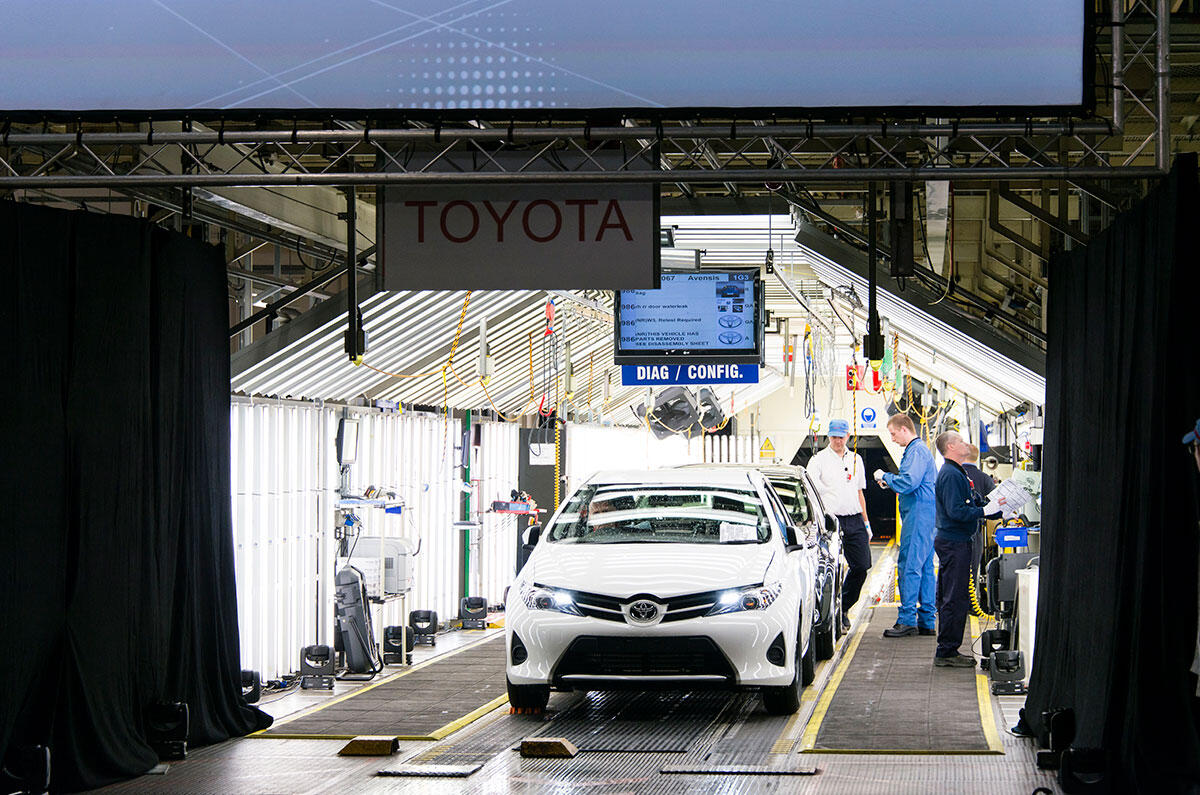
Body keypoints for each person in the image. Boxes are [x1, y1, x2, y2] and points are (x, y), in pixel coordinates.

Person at [931, 431, 1002, 667]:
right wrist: (983, 512)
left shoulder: (958, 472)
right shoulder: (951, 474)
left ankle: (948, 648)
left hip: (956, 541)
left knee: (955, 595)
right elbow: (956, 511)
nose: (965, 444)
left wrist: (995, 507)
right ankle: (947, 651)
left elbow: (969, 502)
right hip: (954, 542)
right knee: (954, 597)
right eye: (960, 441)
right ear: (951, 446)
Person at [873, 413, 937, 638]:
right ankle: (927, 620)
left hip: (918, 516)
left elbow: (909, 482)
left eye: (892, 433)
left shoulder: (916, 451)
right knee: (926, 568)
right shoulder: (917, 451)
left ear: (903, 429)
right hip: (925, 515)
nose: (891, 439)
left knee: (909, 566)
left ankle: (907, 619)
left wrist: (886, 476)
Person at [807, 418, 873, 632]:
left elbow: (859, 492)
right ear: (829, 437)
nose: (837, 440)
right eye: (834, 436)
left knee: (862, 566)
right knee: (829, 570)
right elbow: (810, 494)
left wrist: (866, 522)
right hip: (830, 521)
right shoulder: (818, 461)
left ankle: (843, 607)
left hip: (854, 519)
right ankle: (829, 614)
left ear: (848, 436)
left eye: (841, 436)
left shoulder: (856, 460)